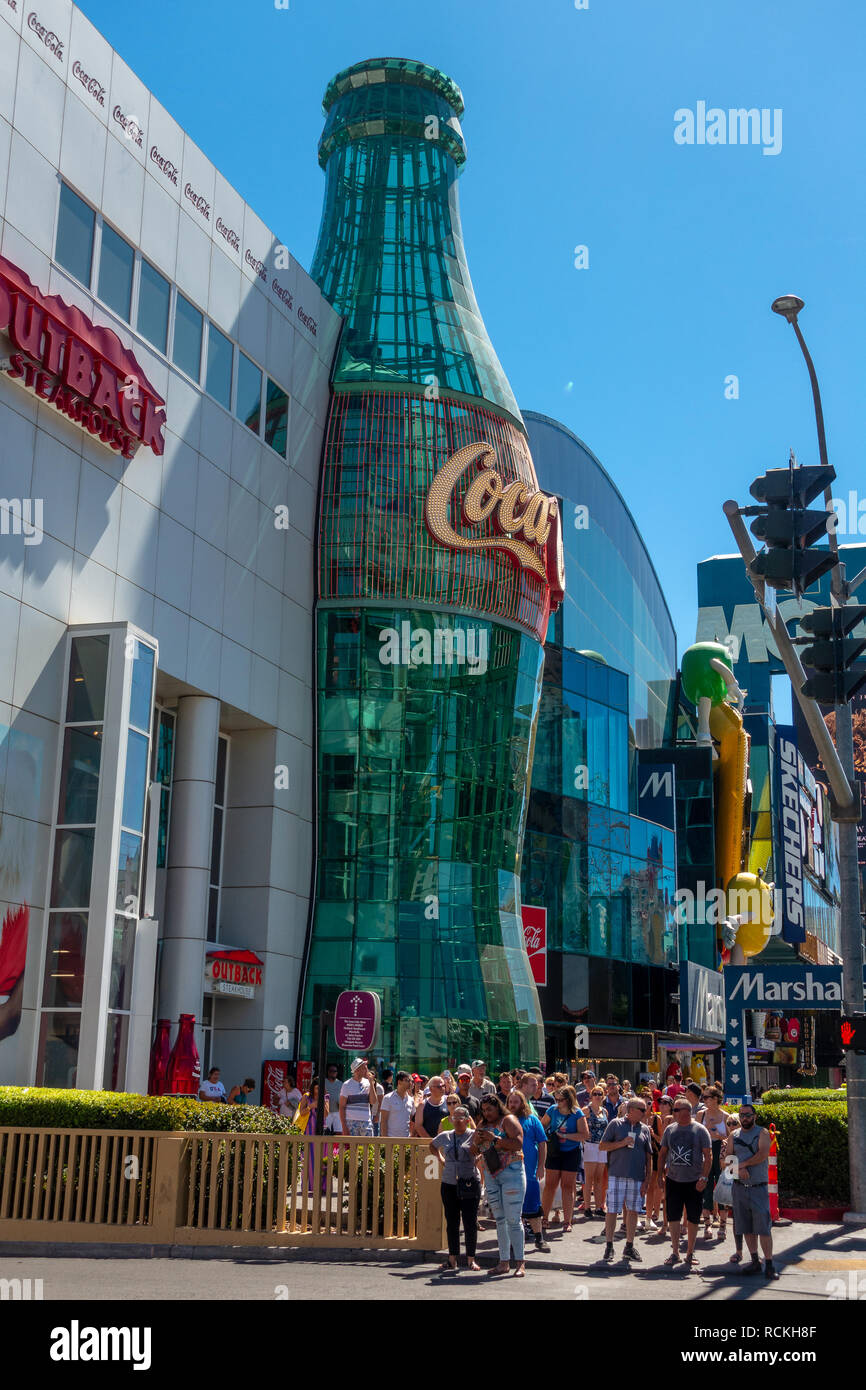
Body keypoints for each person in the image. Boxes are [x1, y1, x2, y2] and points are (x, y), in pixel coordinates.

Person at [470, 1094, 527, 1276]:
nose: (486, 1113)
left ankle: (520, 1263)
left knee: (513, 1219)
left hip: (512, 1172)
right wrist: (477, 1142)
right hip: (492, 1173)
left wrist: (494, 1139)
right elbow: (473, 1149)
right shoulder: (482, 1125)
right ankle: (503, 1262)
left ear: (498, 1107)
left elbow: (518, 1143)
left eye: (490, 1110)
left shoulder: (508, 1120)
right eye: (484, 1110)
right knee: (500, 1220)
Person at [724, 1102, 778, 1279]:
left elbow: (763, 1154)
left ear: (754, 1116)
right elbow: (728, 1160)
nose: (744, 1118)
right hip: (739, 1188)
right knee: (745, 1226)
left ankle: (769, 1264)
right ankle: (754, 1261)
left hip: (758, 1188)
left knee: (763, 1228)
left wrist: (743, 1164)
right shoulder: (734, 1135)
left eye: (748, 1115)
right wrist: (738, 1169)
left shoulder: (761, 1133)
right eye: (742, 1115)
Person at [658, 1098, 712, 1270]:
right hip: (674, 1180)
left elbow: (708, 1156)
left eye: (676, 1110)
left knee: (693, 1217)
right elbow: (662, 1153)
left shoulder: (700, 1130)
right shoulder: (669, 1130)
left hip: (694, 1181)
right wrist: (660, 1175)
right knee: (673, 1216)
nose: (673, 1113)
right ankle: (675, 1252)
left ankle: (690, 1252)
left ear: (686, 1112)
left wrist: (704, 1178)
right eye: (674, 1110)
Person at [599, 1096, 654, 1263]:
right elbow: (602, 1146)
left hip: (637, 1177)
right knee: (612, 1211)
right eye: (642, 1110)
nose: (646, 1113)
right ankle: (609, 1246)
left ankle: (629, 1246)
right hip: (617, 1174)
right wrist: (621, 1143)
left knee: (633, 1211)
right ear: (631, 1111)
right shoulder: (615, 1124)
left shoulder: (644, 1129)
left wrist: (647, 1179)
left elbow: (649, 1156)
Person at [430, 1106, 482, 1272]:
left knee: (470, 1222)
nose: (458, 1120)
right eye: (455, 1117)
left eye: (461, 1117)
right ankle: (452, 1258)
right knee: (452, 1222)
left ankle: (471, 1259)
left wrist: (477, 1157)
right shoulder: (445, 1136)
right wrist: (440, 1158)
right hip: (449, 1182)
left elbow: (484, 1148)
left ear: (467, 1120)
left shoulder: (474, 1135)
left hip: (469, 1182)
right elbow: (432, 1145)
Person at [506, 1088, 550, 1253]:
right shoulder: (504, 1121)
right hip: (509, 1173)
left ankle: (539, 1239)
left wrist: (541, 1166)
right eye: (510, 1102)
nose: (512, 1105)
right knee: (513, 1208)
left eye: (516, 1102)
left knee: (533, 1206)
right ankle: (515, 1241)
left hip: (530, 1171)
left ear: (522, 1103)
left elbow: (543, 1143)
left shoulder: (532, 1119)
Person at [541, 1085, 589, 1231]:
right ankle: (544, 1218)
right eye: (556, 1099)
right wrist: (547, 1137)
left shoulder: (577, 1113)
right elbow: (542, 1126)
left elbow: (584, 1135)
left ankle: (567, 1221)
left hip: (571, 1151)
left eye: (561, 1099)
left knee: (567, 1186)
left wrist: (566, 1136)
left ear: (568, 1100)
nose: (558, 1102)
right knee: (550, 1185)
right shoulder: (552, 1110)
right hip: (554, 1151)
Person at [699, 1085, 729, 1239]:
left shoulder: (726, 1116)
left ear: (716, 1099)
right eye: (703, 1098)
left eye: (707, 1097)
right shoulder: (700, 1115)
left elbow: (731, 1141)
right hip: (705, 1154)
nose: (704, 1100)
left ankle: (723, 1226)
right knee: (706, 1189)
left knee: (723, 1190)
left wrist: (718, 1135)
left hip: (721, 1155)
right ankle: (707, 1225)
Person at [582, 1085, 609, 1219]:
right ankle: (587, 1207)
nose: (598, 1096)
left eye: (600, 1094)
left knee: (599, 1178)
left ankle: (599, 1206)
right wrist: (583, 1138)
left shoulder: (604, 1111)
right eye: (595, 1094)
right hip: (590, 1145)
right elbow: (580, 1124)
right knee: (589, 1178)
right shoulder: (586, 1110)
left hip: (601, 1146)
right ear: (591, 1096)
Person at [339, 1057, 376, 1136]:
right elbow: (342, 1106)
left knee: (368, 1147)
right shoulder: (346, 1085)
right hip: (351, 1122)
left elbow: (373, 1101)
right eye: (364, 1067)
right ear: (357, 1070)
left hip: (366, 1121)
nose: (367, 1069)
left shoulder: (368, 1083)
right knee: (351, 1148)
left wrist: (371, 1083)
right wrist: (344, 1127)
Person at [379, 1070, 415, 1138]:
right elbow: (383, 1121)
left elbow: (412, 1120)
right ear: (399, 1082)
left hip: (406, 1141)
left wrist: (411, 1135)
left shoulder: (411, 1100)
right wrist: (385, 1140)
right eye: (407, 1080)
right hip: (391, 1141)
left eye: (411, 1081)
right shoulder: (387, 1098)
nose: (410, 1083)